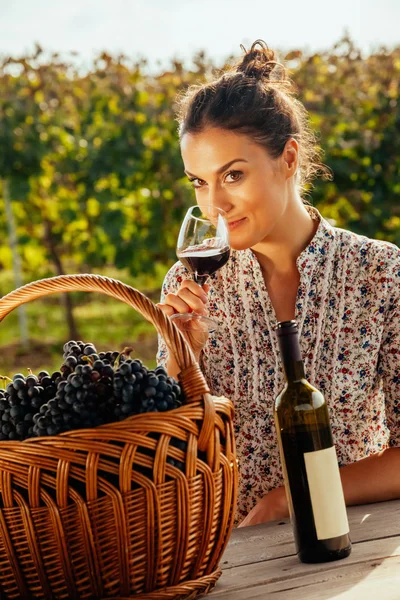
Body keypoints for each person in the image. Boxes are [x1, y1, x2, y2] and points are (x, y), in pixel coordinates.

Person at [156, 40, 400, 527]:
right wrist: (182, 360)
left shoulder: (381, 274)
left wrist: (292, 496)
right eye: (199, 182)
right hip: (224, 556)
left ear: (288, 159)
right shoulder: (190, 282)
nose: (213, 207)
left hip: (355, 550)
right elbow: (167, 457)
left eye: (233, 175)